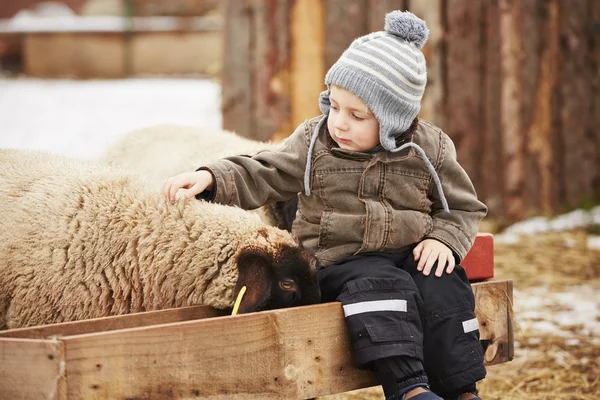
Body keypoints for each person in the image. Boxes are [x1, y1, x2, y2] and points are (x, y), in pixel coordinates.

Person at [163, 10, 487, 400]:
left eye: (357, 115)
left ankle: (461, 389)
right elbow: (265, 170)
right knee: (382, 287)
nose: (339, 124)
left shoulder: (429, 150)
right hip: (342, 263)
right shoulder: (315, 144)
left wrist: (445, 238)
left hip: (408, 253)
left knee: (443, 284)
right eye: (333, 106)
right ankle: (410, 388)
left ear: (392, 119)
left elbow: (464, 206)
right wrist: (214, 178)